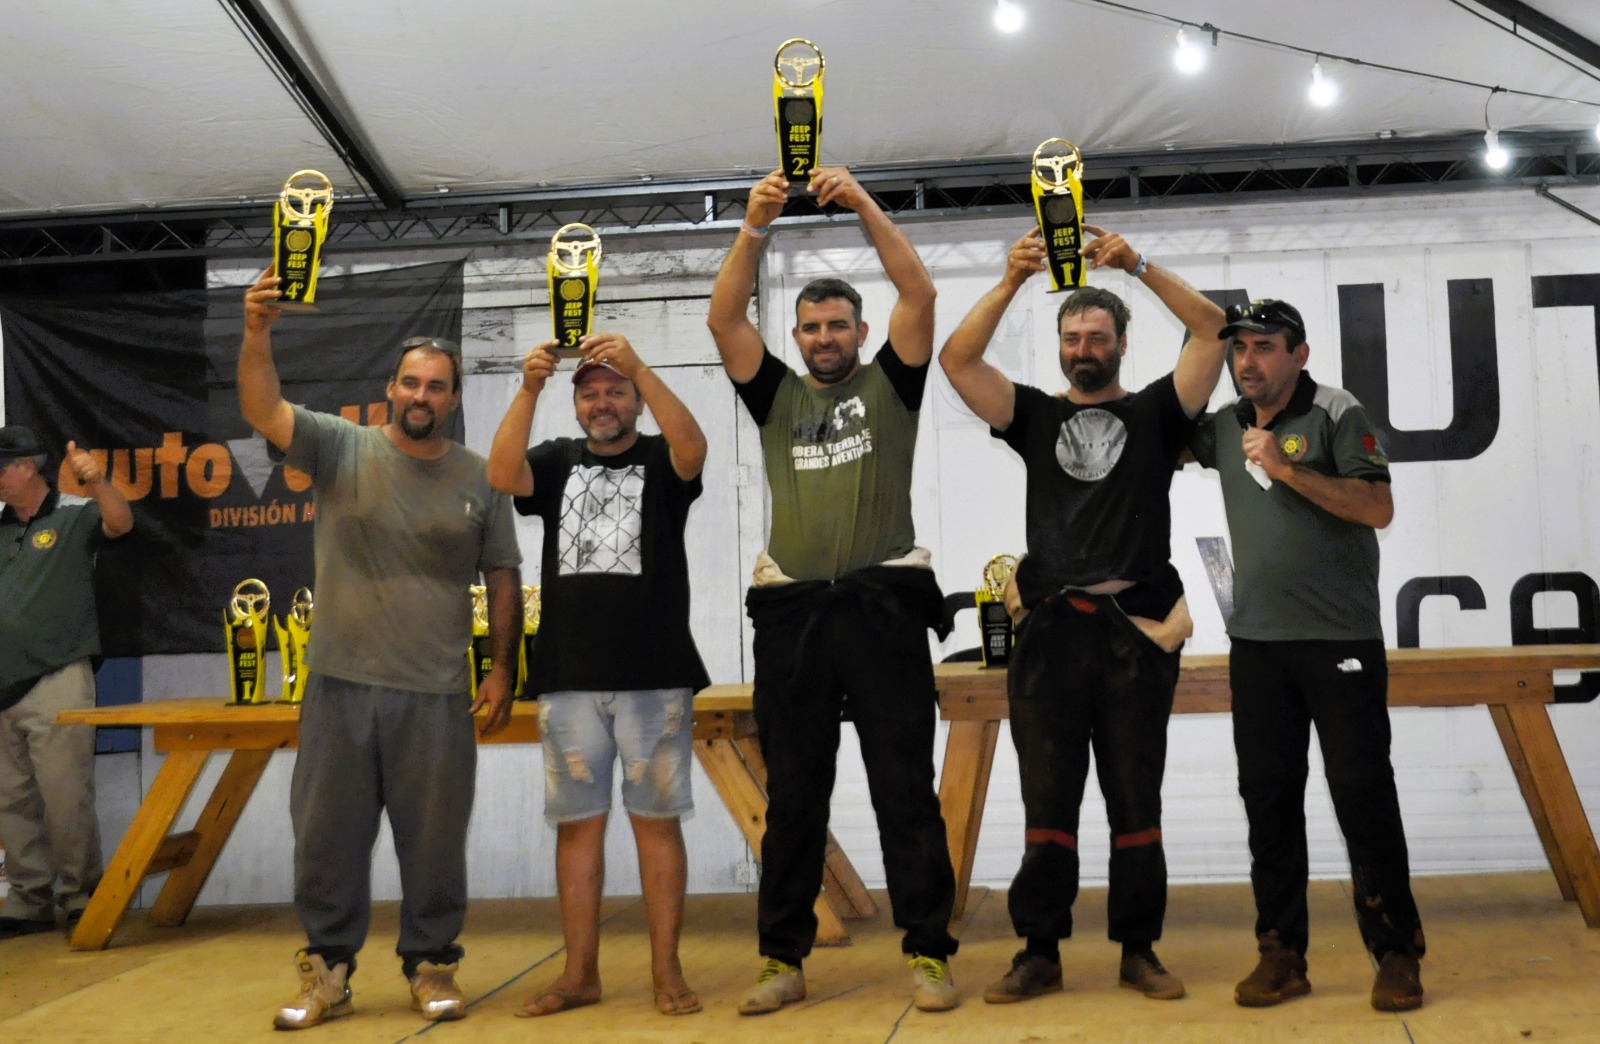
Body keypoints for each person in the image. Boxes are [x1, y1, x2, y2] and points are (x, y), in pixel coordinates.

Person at [939, 226, 1226, 1003]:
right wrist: (1009, 281)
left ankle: (1140, 951)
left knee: (1136, 799)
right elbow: (957, 361)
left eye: (1098, 336)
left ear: (1123, 343)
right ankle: (1039, 952)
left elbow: (1212, 330)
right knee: (1048, 801)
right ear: (1060, 347)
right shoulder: (1033, 416)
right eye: (1072, 338)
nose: (1084, 348)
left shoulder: (1160, 413)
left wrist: (1137, 265)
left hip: (1136, 633)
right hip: (1052, 635)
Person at [238, 270, 523, 1030]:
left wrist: (501, 669)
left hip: (436, 693)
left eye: (437, 387)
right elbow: (262, 407)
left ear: (453, 399)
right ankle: (327, 974)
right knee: (325, 842)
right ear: (391, 389)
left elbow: (502, 575)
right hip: (337, 686)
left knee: (435, 846)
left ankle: (433, 967)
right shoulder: (339, 446)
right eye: (411, 383)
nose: (422, 396)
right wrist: (257, 332)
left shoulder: (482, 478)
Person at [706, 166, 960, 1015]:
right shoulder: (776, 396)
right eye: (811, 327)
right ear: (798, 335)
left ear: (859, 332)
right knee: (795, 799)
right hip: (795, 619)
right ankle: (782, 960)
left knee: (904, 791)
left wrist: (861, 204)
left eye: (837, 325)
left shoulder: (891, 385)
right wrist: (753, 226)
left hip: (883, 612)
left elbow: (919, 292)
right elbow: (724, 320)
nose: (824, 337)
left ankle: (929, 954)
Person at [1189, 298, 1425, 1012]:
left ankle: (1396, 952)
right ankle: (1281, 953)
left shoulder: (1334, 410)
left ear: (1300, 354)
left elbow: (1377, 508)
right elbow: (1148, 442)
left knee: (1362, 795)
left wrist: (1288, 471)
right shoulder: (1224, 424)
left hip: (1339, 641)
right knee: (1268, 801)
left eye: (1264, 347)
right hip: (1258, 645)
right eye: (1239, 348)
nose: (1247, 361)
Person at [485, 333, 710, 1018]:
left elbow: (695, 447)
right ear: (576, 404)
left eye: (616, 391)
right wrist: (529, 387)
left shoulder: (662, 459)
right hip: (569, 678)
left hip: (655, 675)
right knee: (577, 828)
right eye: (590, 394)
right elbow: (500, 473)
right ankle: (579, 974)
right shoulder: (556, 460)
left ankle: (667, 971)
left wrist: (641, 363)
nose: (603, 403)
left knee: (657, 825)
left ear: (637, 401)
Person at [0, 427, 132, 939]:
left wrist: (98, 481)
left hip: (56, 676)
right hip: (4, 684)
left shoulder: (74, 514)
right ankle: (28, 899)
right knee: (12, 801)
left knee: (65, 796)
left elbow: (121, 523)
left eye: (1, 468)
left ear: (27, 466)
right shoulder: (1, 528)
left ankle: (80, 895)